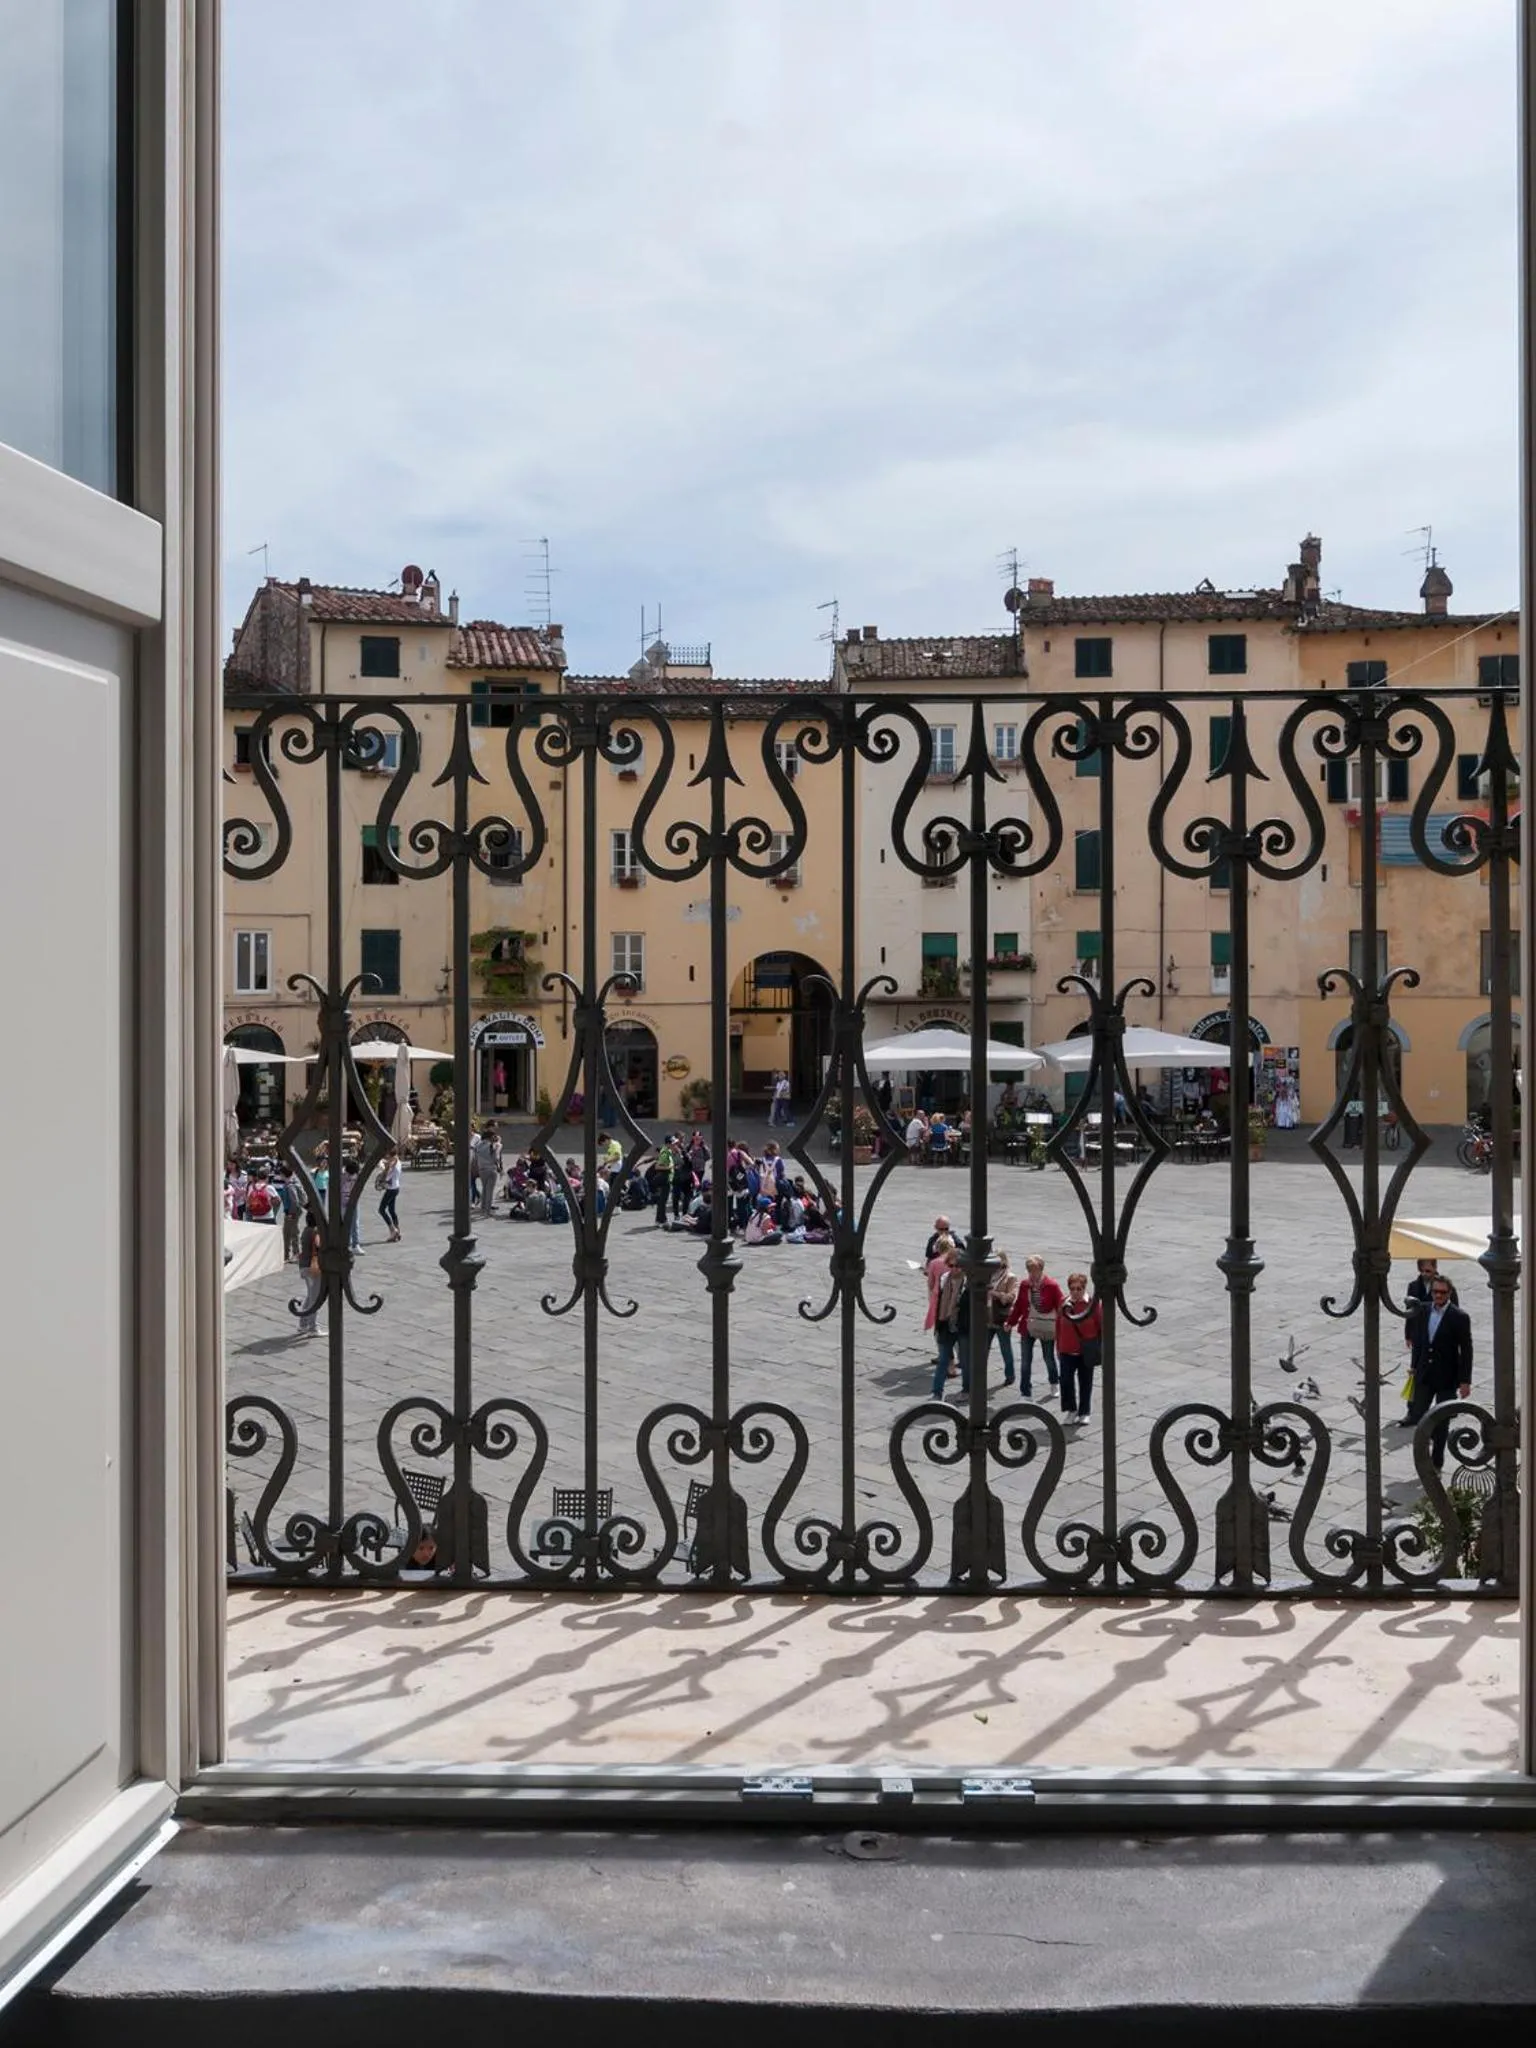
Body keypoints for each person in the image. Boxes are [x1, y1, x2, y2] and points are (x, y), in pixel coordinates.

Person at [1405, 1275, 1473, 1470]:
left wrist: (1465, 1381)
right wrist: (1414, 1367)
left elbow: (1466, 1350)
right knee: (1418, 1415)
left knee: (1442, 1420)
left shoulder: (1459, 1317)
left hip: (1447, 1376)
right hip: (1425, 1373)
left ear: (1449, 1293)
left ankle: (1436, 1462)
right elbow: (1419, 1342)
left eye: (1443, 1292)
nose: (1438, 1295)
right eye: (1435, 1291)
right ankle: (1426, 1450)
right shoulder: (1423, 1311)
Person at [1007, 1255, 1063, 1398]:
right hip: (1028, 1326)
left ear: (1041, 1270)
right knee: (1025, 1361)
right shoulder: (1025, 1285)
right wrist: (1011, 1322)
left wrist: (1062, 1327)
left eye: (1034, 1270)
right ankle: (1025, 1391)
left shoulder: (1052, 1286)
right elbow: (1019, 1305)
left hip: (1046, 1326)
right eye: (1029, 1270)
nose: (1032, 1274)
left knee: (1048, 1357)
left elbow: (1061, 1306)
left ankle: (1054, 1382)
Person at [1056, 1271, 1103, 1423]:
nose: (1075, 1292)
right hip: (1066, 1349)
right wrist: (1058, 1347)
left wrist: (1099, 1347)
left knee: (1085, 1382)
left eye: (1079, 1288)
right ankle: (1071, 1410)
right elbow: (1058, 1325)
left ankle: (1084, 1412)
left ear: (1084, 1288)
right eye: (1072, 1288)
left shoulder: (1092, 1304)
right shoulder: (1064, 1303)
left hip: (1085, 1351)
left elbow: (1101, 1326)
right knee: (1065, 1381)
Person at [930, 1248, 970, 1399]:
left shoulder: (968, 1282)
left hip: (963, 1325)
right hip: (946, 1324)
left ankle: (967, 1390)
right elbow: (940, 1302)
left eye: (958, 1266)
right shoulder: (945, 1278)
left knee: (965, 1361)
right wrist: (938, 1324)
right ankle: (937, 1393)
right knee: (943, 1360)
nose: (955, 1269)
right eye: (951, 1265)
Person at [987, 1250, 1020, 1386]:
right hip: (987, 1316)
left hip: (1001, 1317)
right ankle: (979, 1374)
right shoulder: (987, 1275)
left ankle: (1010, 1375)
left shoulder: (1010, 1277)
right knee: (982, 1349)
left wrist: (994, 1293)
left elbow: (1010, 1297)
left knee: (1005, 1348)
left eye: (997, 1261)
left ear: (1003, 1262)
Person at [294, 1210, 325, 1339]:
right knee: (315, 1299)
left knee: (310, 1296)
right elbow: (320, 1246)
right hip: (313, 1268)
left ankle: (303, 1324)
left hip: (304, 1266)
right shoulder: (315, 1232)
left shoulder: (306, 1230)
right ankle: (313, 1327)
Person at [473, 1122, 502, 1216]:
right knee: (490, 1190)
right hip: (491, 1169)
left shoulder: (478, 1146)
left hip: (482, 1169)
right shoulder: (493, 1145)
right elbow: (496, 1158)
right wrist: (499, 1145)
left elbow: (475, 1158)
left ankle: (483, 1207)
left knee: (484, 1189)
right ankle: (487, 1210)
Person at [376, 1147, 402, 1241]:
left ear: (390, 1154)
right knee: (391, 1210)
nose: (386, 1157)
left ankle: (393, 1230)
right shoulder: (397, 1161)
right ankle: (397, 1231)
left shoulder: (392, 1164)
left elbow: (387, 1177)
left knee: (381, 1210)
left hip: (391, 1189)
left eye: (387, 1155)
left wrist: (384, 1170)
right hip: (396, 1188)